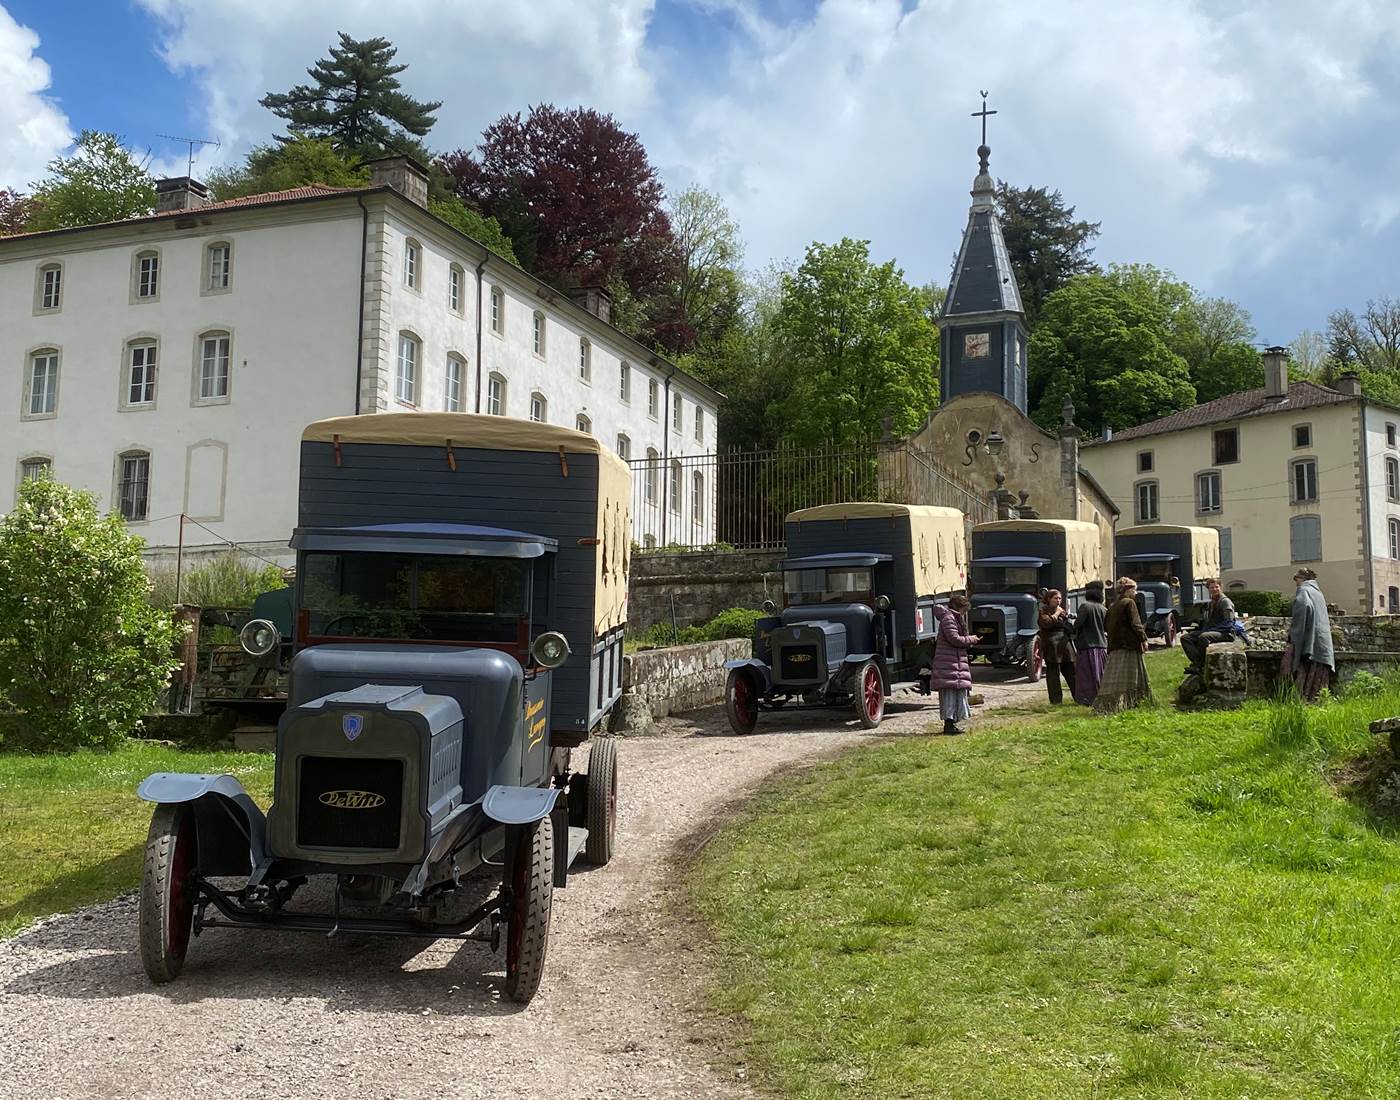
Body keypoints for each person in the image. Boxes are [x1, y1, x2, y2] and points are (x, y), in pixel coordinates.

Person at [1094, 577, 1153, 714]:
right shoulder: (1129, 603)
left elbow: (1107, 626)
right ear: (1127, 590)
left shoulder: (1113, 606)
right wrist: (1143, 639)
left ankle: (1109, 705)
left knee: (1114, 677)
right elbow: (1136, 624)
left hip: (1115, 646)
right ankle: (1131, 701)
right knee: (1130, 676)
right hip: (1129, 644)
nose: (1135, 592)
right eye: (1134, 589)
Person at [1281, 568, 1334, 701]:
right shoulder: (1318, 593)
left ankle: (1298, 701)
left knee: (1293, 666)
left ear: (1301, 579)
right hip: (1323, 644)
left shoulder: (1303, 590)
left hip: (1310, 640)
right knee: (1319, 681)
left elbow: (1304, 607)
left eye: (1296, 580)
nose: (1296, 584)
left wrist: (1294, 633)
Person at [930, 595, 979, 735]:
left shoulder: (952, 618)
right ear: (959, 607)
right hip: (949, 662)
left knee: (955, 693)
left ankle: (952, 724)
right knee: (949, 694)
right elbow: (954, 639)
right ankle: (949, 725)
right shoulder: (948, 619)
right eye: (964, 610)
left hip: (953, 661)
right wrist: (971, 639)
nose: (964, 613)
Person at [1181, 578, 1237, 676]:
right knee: (1186, 638)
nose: (1214, 589)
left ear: (1221, 587)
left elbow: (1229, 622)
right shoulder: (1211, 602)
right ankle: (1197, 662)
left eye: (1216, 587)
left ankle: (1199, 665)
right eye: (1212, 588)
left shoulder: (1225, 602)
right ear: (1208, 589)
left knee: (1204, 637)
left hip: (1226, 633)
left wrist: (1211, 630)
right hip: (1213, 631)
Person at [1037, 589, 1077, 703]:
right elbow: (1046, 623)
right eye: (1056, 598)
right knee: (1053, 674)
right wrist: (1057, 613)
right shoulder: (1043, 611)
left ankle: (1079, 697)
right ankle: (1056, 701)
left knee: (1071, 671)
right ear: (1049, 599)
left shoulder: (1062, 610)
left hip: (1064, 643)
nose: (1058, 601)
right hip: (1051, 643)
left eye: (1060, 598)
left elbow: (1068, 625)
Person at [1071, 580, 1107, 705]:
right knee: (1099, 674)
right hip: (1101, 646)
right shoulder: (1103, 609)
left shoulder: (1085, 606)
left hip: (1087, 646)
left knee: (1086, 675)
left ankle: (1087, 699)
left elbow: (1077, 624)